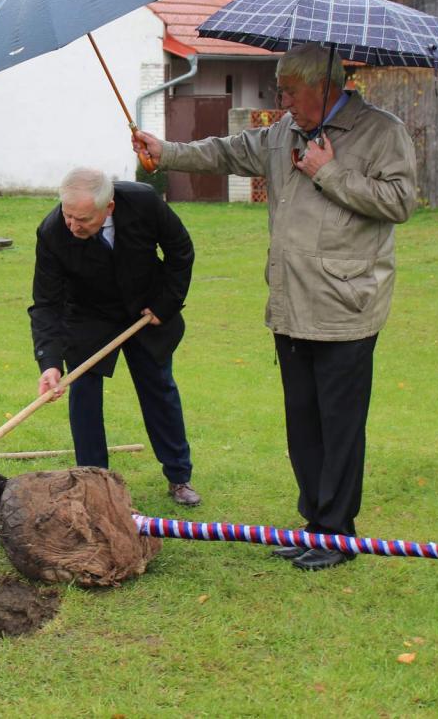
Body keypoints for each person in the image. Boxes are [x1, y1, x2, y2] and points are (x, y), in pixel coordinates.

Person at [131, 42, 417, 570]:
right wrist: (165, 151)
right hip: (291, 303)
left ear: (324, 86)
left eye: (288, 91)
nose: (280, 101)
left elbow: (400, 202)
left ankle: (337, 533)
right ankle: (314, 523)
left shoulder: (381, 131)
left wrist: (329, 172)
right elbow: (224, 152)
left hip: (346, 306)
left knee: (339, 427)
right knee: (303, 424)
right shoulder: (283, 132)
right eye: (279, 90)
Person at [30, 167, 200, 506]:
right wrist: (49, 362)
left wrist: (165, 304)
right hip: (89, 315)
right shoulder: (52, 232)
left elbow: (180, 250)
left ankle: (179, 476)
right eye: (68, 215)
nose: (73, 226)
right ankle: (95, 483)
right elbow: (46, 303)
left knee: (158, 388)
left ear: (108, 207)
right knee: (84, 394)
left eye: (83, 219)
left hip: (146, 310)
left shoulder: (143, 202)